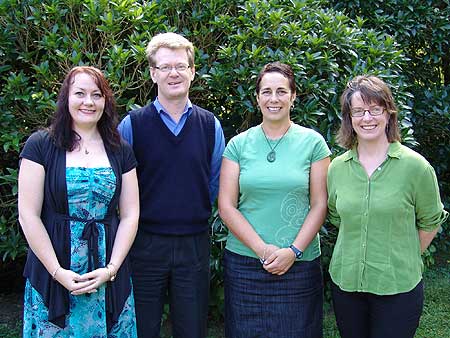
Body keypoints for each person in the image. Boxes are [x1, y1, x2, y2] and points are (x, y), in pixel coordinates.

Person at [18, 66, 139, 337]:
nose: (88, 102)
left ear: (105, 102)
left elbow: (131, 214)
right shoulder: (40, 145)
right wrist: (57, 271)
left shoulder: (120, 149)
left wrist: (112, 269)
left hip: (106, 267)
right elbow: (28, 214)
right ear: (66, 98)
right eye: (80, 93)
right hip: (54, 266)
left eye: (97, 95)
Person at [118, 32, 225, 338]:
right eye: (165, 67)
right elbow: (121, 190)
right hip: (144, 244)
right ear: (153, 74)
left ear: (192, 71)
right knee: (141, 328)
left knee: (192, 329)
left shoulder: (209, 125)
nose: (173, 73)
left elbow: (215, 182)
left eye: (181, 66)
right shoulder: (132, 125)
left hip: (194, 244)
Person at [327, 75, 448, 338]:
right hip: (347, 284)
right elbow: (336, 215)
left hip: (398, 286)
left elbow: (431, 220)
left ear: (388, 113)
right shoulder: (337, 168)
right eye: (358, 111)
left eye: (374, 109)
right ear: (349, 119)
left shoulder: (416, 167)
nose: (366, 118)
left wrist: (403, 252)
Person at [218, 62, 331, 337]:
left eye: (281, 91)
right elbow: (226, 206)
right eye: (266, 92)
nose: (274, 98)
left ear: (293, 97)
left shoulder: (313, 143)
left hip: (299, 264)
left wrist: (293, 251)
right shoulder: (238, 144)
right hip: (246, 263)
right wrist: (263, 250)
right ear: (257, 98)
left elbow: (320, 204)